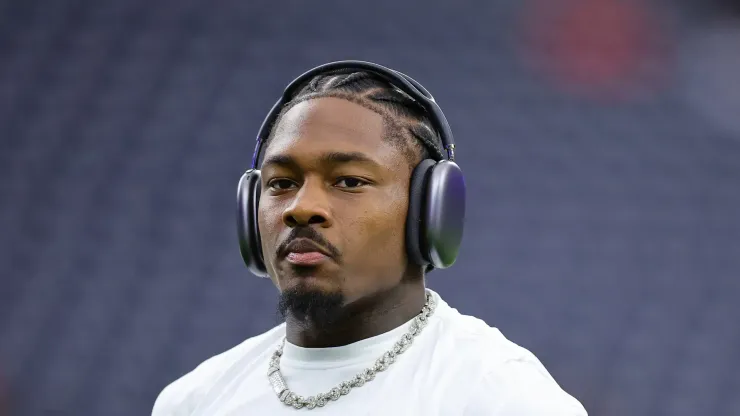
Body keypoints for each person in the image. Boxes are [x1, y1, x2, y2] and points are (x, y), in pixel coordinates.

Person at [152, 61, 588, 415]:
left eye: (348, 181)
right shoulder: (193, 401)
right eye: (281, 183)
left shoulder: (501, 397)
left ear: (430, 213)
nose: (301, 207)